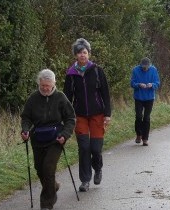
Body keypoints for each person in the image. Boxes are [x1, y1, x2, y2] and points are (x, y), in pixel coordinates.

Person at [21, 69, 76, 210]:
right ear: (39, 83)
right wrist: (25, 130)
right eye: (43, 85)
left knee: (48, 168)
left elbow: (70, 118)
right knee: (39, 169)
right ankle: (53, 187)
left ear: (54, 83)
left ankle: (46, 204)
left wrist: (65, 134)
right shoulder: (33, 98)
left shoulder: (60, 97)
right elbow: (26, 117)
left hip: (56, 139)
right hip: (37, 138)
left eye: (48, 85)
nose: (45, 88)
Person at [63, 38, 112, 192]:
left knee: (96, 148)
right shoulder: (71, 74)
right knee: (84, 147)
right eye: (79, 53)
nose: (82, 55)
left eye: (84, 52)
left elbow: (105, 93)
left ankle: (98, 168)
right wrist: (67, 116)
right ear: (75, 55)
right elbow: (66, 97)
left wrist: (107, 114)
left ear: (89, 54)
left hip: (97, 114)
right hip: (80, 116)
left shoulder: (97, 70)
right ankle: (85, 180)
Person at [130, 57, 160, 146]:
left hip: (149, 98)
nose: (145, 68)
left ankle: (145, 138)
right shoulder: (135, 70)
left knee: (146, 117)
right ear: (140, 65)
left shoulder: (154, 70)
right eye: (143, 67)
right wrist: (138, 85)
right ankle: (138, 134)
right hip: (138, 97)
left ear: (149, 65)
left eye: (146, 67)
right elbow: (132, 83)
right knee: (139, 116)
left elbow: (157, 83)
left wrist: (152, 85)